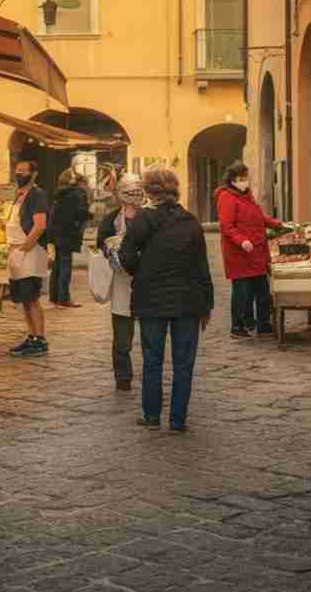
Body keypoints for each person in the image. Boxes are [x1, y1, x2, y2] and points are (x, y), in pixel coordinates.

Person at [120, 168, 213, 432]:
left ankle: (151, 416)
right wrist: (206, 304)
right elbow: (201, 266)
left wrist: (142, 270)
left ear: (149, 191)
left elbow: (126, 255)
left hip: (151, 300)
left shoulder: (142, 220)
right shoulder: (191, 221)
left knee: (152, 360)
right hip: (188, 301)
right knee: (184, 363)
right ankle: (177, 419)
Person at [215, 161, 283, 339]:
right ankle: (237, 327)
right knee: (242, 292)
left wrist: (278, 224)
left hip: (257, 251)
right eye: (241, 179)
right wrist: (242, 240)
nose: (245, 182)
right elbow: (227, 227)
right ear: (232, 180)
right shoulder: (226, 197)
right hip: (239, 253)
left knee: (262, 290)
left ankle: (263, 325)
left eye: (246, 178)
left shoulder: (247, 195)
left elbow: (259, 215)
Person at [96, 174, 144, 391]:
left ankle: (152, 372)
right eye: (130, 191)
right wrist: (112, 248)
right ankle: (123, 377)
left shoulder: (151, 217)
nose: (134, 195)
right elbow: (102, 244)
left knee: (152, 333)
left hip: (148, 281)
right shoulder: (111, 220)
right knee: (122, 338)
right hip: (122, 282)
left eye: (137, 191)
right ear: (120, 194)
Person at [7, 159, 50, 358]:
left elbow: (40, 225)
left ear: (33, 174)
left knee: (32, 298)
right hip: (17, 252)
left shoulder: (37, 194)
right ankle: (32, 336)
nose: (19, 174)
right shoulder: (19, 196)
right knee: (24, 298)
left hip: (28, 252)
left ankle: (40, 339)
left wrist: (25, 247)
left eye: (23, 171)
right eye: (17, 171)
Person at [49, 169, 91, 308]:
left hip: (57, 232)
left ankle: (54, 297)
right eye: (86, 183)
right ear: (81, 183)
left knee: (58, 264)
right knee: (66, 264)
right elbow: (80, 213)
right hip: (69, 232)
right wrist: (89, 216)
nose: (88, 186)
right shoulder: (79, 194)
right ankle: (64, 298)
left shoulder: (61, 193)